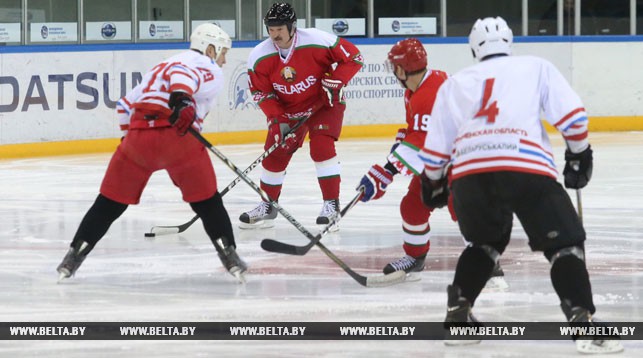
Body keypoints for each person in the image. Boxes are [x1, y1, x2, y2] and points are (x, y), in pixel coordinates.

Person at [419, 17, 623, 353]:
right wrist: (578, 156)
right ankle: (584, 325)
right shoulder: (535, 66)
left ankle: (458, 317)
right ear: (510, 42)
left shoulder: (455, 83)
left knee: (484, 243)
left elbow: (436, 150)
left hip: (470, 174)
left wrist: (435, 184)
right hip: (525, 166)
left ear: (473, 49)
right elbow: (572, 118)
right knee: (565, 245)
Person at [56, 23, 248, 282]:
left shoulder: (158, 67)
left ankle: (73, 257)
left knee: (110, 203)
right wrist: (181, 99)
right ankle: (230, 256)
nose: (224, 60)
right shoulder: (206, 65)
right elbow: (184, 75)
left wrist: (131, 142)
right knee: (207, 202)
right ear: (210, 48)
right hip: (179, 140)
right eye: (223, 52)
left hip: (137, 138)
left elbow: (125, 106)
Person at [355, 38, 507, 290]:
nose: (393, 72)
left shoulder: (429, 94)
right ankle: (415, 258)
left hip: (463, 159)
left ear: (402, 69)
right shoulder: (416, 88)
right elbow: (418, 132)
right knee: (413, 206)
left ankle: (489, 263)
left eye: (394, 67)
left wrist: (386, 171)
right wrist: (401, 144)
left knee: (462, 211)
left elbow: (424, 140)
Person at [239, 2, 363, 230]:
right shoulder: (259, 55)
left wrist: (336, 80)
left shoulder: (316, 39)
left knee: (321, 147)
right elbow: (261, 93)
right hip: (288, 111)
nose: (274, 34)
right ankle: (268, 205)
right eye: (271, 29)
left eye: (279, 29)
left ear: (292, 27)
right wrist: (277, 120)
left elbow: (353, 57)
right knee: (274, 153)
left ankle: (331, 205)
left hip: (323, 104)